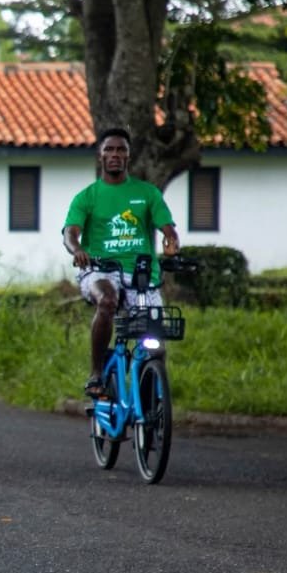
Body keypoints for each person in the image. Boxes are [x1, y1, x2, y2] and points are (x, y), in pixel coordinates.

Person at [62, 127, 180, 398]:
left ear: (128, 156)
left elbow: (167, 228)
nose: (115, 155)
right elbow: (70, 232)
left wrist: (171, 241)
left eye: (120, 150)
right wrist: (77, 250)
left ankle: (151, 401)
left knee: (156, 345)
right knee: (107, 300)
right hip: (100, 271)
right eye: (109, 150)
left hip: (141, 276)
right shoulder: (87, 196)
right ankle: (96, 373)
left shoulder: (147, 193)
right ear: (100, 155)